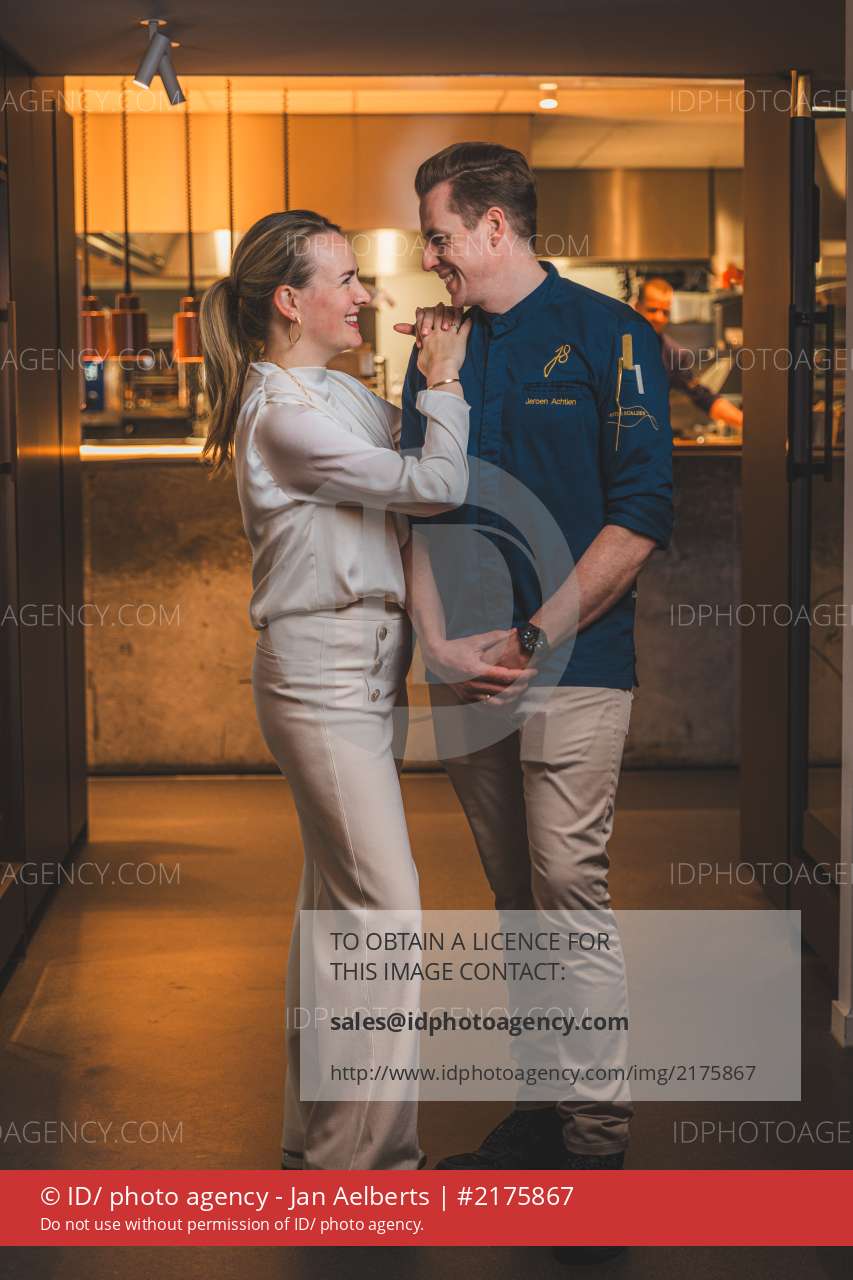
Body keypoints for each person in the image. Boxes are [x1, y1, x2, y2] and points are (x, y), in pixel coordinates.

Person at [398, 143, 673, 1261]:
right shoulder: (437, 349)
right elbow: (417, 505)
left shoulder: (612, 337)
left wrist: (534, 634)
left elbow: (641, 511)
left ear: (495, 228)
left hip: (573, 664)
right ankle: (541, 1110)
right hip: (466, 674)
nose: (431, 254)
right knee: (514, 900)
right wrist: (437, 643)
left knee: (567, 891)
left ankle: (595, 1147)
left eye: (439, 234)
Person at [199, 209, 478, 1171]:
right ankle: (365, 1172)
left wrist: (437, 372)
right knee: (385, 915)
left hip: (368, 667)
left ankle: (319, 1148)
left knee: (337, 914)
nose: (365, 294)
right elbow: (435, 484)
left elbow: (422, 462)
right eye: (347, 279)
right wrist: (444, 380)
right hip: (318, 676)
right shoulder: (283, 416)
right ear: (291, 300)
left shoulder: (342, 395)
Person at [634, 275, 743, 430]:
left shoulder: (673, 354)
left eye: (665, 312)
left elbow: (702, 396)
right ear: (637, 307)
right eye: (652, 310)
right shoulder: (614, 343)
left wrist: (745, 422)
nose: (659, 317)